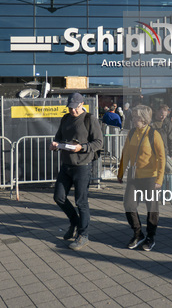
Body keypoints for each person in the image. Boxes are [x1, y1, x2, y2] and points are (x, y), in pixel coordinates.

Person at [50, 93, 103, 250]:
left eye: (74, 108)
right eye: (70, 107)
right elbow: (58, 137)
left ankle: (83, 235)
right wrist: (55, 145)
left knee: (81, 202)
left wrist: (83, 148)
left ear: (82, 104)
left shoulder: (90, 119)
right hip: (66, 164)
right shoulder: (65, 118)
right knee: (58, 197)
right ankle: (74, 220)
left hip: (82, 166)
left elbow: (99, 142)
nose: (72, 110)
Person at [117, 105, 165, 252]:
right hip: (134, 177)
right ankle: (138, 233)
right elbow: (126, 154)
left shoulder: (153, 134)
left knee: (152, 208)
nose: (133, 119)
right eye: (133, 117)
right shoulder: (131, 133)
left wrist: (159, 180)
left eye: (136, 117)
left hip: (150, 177)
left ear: (144, 119)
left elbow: (162, 157)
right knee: (129, 205)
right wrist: (120, 173)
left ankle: (151, 237)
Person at [152, 104, 172, 203]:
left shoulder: (167, 123)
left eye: (165, 115)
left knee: (165, 173)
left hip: (164, 151)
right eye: (161, 114)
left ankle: (165, 195)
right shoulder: (150, 122)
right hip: (151, 152)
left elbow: (171, 139)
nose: (163, 117)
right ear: (157, 111)